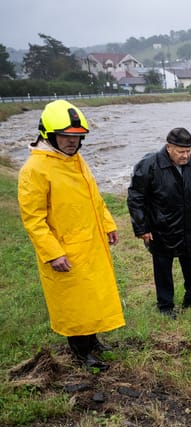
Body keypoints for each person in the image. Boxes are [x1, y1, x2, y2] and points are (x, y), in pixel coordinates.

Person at [17, 100, 125, 369]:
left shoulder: (76, 161)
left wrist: (108, 224)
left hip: (91, 243)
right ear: (48, 134)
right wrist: (53, 253)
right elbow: (34, 220)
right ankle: (80, 351)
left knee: (93, 296)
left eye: (77, 137)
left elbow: (94, 198)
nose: (71, 142)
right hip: (65, 250)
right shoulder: (34, 170)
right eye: (65, 136)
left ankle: (93, 341)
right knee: (74, 303)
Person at [127, 128, 191, 318]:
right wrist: (142, 227)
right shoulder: (149, 165)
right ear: (169, 147)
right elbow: (135, 197)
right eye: (181, 151)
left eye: (188, 150)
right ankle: (165, 306)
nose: (186, 155)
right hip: (161, 227)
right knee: (163, 267)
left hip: (188, 224)